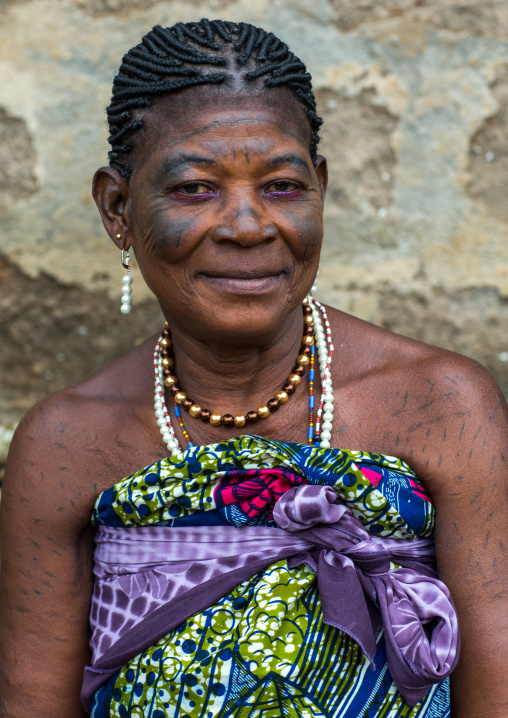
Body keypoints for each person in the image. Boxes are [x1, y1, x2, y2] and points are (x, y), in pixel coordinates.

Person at [0, 18, 506, 718]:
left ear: (320, 190)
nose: (248, 225)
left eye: (282, 186)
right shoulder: (65, 443)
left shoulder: (444, 403)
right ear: (117, 208)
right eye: (196, 189)